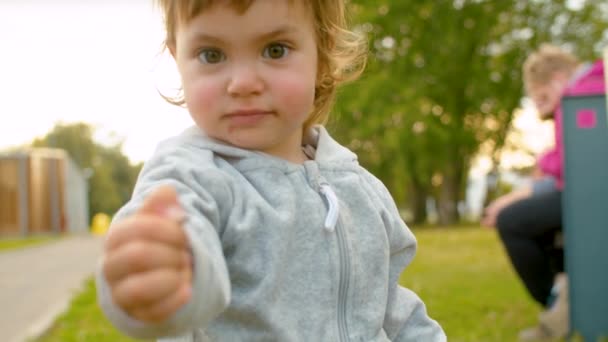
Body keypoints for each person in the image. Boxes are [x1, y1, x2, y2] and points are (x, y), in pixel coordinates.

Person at [95, 1, 446, 341]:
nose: (243, 83)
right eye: (211, 55)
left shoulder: (358, 185)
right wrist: (167, 275)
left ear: (322, 55)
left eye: (275, 50)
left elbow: (393, 310)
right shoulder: (189, 178)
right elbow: (183, 251)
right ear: (178, 59)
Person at [482, 44, 605, 340]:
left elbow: (568, 162)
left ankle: (559, 302)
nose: (540, 108)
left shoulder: (580, 95)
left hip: (591, 197)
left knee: (513, 222)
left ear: (559, 78)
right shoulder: (589, 89)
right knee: (537, 224)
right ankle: (563, 299)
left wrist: (543, 160)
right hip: (585, 194)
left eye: (543, 97)